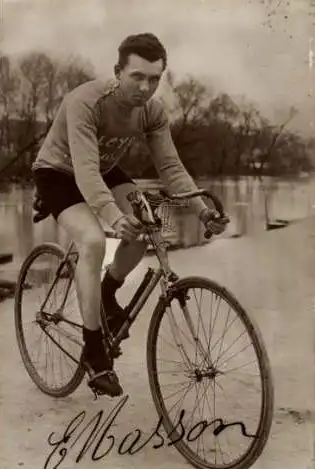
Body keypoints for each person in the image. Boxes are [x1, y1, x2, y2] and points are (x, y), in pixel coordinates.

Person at [32, 33, 228, 397]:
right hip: (58, 172)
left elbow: (170, 166)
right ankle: (93, 352)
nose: (145, 87)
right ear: (117, 71)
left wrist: (202, 210)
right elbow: (85, 171)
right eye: (137, 76)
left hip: (103, 170)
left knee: (148, 223)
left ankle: (107, 294)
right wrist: (111, 214)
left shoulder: (152, 112)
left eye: (154, 78)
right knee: (91, 241)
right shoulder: (86, 101)